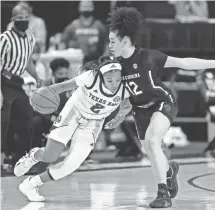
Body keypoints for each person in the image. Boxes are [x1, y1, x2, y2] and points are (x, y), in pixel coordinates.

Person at [108, 7, 215, 208]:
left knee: (153, 143)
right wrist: (119, 115)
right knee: (151, 151)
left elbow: (185, 63)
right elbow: (128, 97)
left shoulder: (148, 57)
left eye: (112, 41)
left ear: (125, 41)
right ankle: (169, 171)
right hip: (140, 110)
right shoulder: (116, 67)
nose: (109, 45)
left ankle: (163, 194)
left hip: (162, 103)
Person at [13, 56, 132, 202]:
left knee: (70, 166)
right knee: (51, 156)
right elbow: (62, 87)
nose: (114, 84)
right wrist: (42, 94)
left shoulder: (126, 85)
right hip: (74, 112)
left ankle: (31, 184)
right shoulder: (90, 77)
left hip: (93, 123)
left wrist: (119, 118)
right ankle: (33, 156)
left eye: (117, 80)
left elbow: (127, 105)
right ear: (100, 76)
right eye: (110, 80)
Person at [1, 5, 43, 169]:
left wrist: (36, 77)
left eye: (25, 18)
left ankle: (19, 158)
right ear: (13, 19)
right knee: (4, 121)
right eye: (19, 18)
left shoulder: (30, 38)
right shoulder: (5, 38)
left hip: (17, 82)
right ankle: (3, 156)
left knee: (26, 119)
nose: (23, 21)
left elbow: (27, 61)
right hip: (3, 79)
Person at [32, 58, 71, 148]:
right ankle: (37, 150)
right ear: (53, 73)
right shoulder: (45, 86)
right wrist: (52, 118)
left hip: (67, 117)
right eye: (60, 74)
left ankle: (83, 156)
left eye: (65, 73)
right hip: (49, 118)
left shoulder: (72, 85)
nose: (63, 77)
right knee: (35, 122)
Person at [61, 0, 109, 65]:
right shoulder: (73, 25)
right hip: (77, 62)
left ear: (92, 8)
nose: (86, 8)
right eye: (84, 6)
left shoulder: (99, 26)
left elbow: (107, 43)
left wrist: (104, 58)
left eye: (88, 6)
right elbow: (63, 42)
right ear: (79, 8)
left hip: (95, 61)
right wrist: (63, 58)